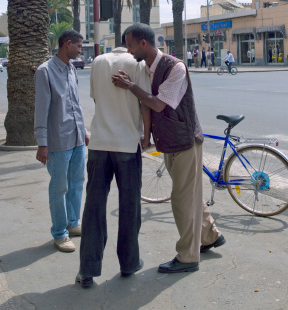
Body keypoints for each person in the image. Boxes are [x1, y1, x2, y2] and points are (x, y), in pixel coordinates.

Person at [112, 23, 225, 274]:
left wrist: (131, 86)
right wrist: (147, 134)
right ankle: (210, 236)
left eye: (130, 45)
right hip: (170, 141)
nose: (128, 51)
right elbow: (146, 106)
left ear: (143, 43)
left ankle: (187, 257)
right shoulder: (145, 68)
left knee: (181, 200)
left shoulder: (176, 68)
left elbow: (159, 104)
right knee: (190, 195)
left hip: (185, 141)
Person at [76, 31, 151, 288]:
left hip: (99, 143)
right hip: (128, 145)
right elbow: (145, 104)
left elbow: (96, 99)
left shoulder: (97, 61)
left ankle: (87, 270)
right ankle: (129, 263)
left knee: (94, 206)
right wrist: (147, 136)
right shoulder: (138, 64)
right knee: (130, 205)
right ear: (129, 45)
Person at [34, 29, 89, 253]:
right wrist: (42, 143)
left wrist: (83, 130)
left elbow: (76, 103)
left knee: (77, 182)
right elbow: (41, 110)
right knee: (59, 188)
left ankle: (73, 222)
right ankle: (60, 233)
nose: (80, 50)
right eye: (78, 46)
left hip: (76, 138)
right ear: (67, 44)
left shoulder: (71, 69)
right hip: (57, 140)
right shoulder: (45, 72)